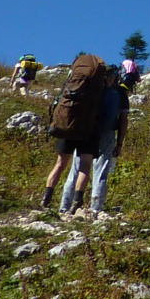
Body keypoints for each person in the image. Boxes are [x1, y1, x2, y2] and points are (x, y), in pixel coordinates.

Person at [62, 61, 133, 218]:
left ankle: (64, 206)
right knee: (100, 170)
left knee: (76, 169)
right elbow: (123, 119)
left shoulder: (91, 89)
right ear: (114, 78)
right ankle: (95, 207)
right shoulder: (119, 92)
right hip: (107, 133)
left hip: (85, 130)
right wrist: (120, 143)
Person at [41, 54, 107, 210]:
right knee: (85, 165)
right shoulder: (98, 81)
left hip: (67, 122)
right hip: (88, 127)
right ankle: (77, 203)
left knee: (60, 164)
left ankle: (46, 199)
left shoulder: (73, 77)